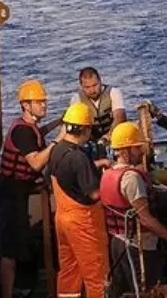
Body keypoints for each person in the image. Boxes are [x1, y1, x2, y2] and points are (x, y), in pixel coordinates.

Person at [0, 79, 65, 298]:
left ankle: (22, 288)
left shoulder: (28, 127)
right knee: (11, 250)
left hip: (20, 191)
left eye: (44, 102)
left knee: (21, 244)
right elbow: (36, 162)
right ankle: (8, 293)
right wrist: (59, 140)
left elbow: (38, 134)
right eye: (39, 102)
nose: (44, 105)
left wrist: (58, 122)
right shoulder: (22, 132)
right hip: (11, 194)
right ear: (26, 105)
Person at [101, 122, 167, 297]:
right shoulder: (131, 178)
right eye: (137, 148)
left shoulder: (108, 174)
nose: (142, 152)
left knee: (122, 289)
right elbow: (146, 220)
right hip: (138, 246)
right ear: (125, 151)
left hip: (117, 242)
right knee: (147, 290)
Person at [49, 102, 110, 298]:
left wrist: (94, 165)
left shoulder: (57, 151)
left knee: (69, 270)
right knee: (96, 273)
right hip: (83, 222)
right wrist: (110, 181)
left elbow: (66, 174)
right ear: (83, 129)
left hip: (62, 219)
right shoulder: (78, 157)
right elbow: (94, 194)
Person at [69, 66, 127, 144]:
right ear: (81, 86)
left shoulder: (113, 92)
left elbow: (120, 117)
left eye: (95, 85)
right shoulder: (77, 99)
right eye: (87, 87)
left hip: (115, 136)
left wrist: (108, 136)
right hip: (90, 139)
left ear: (100, 81)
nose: (92, 90)